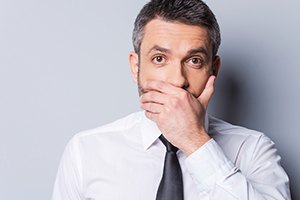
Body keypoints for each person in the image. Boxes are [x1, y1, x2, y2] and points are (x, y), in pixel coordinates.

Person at [51, 0, 291, 199]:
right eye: (159, 59)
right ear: (136, 67)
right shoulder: (86, 151)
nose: (177, 80)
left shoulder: (253, 150)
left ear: (213, 70)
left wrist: (195, 141)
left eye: (194, 60)